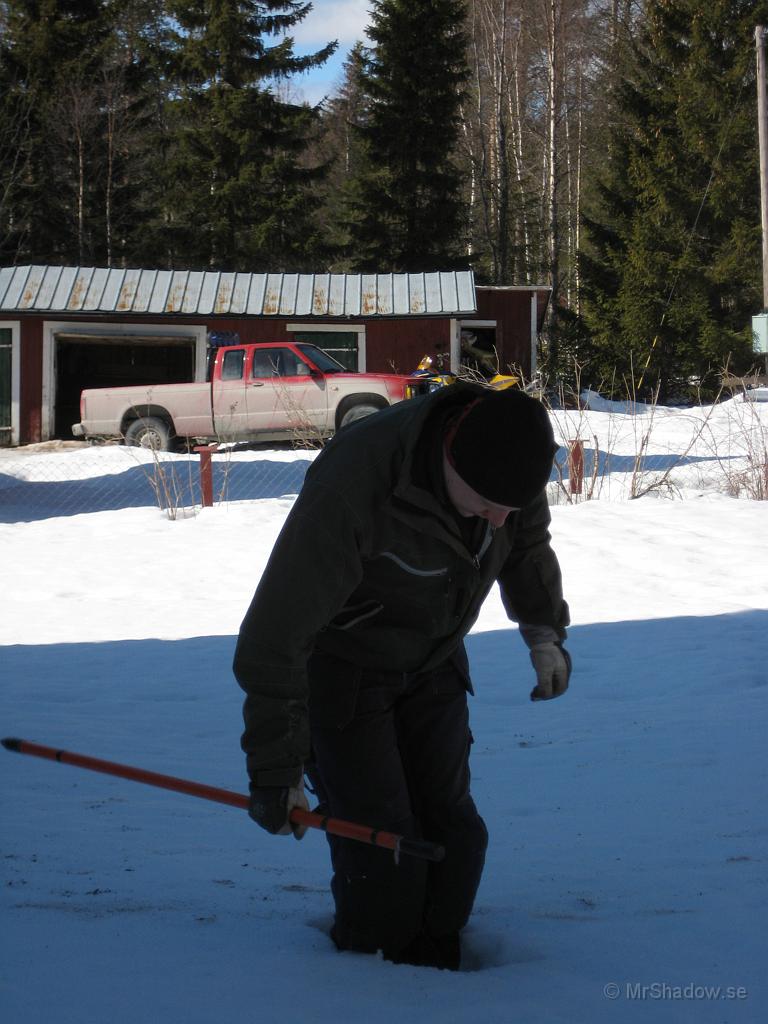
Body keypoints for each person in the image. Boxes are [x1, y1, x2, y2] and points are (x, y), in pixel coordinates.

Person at [233, 381, 571, 971]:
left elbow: (525, 544)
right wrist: (275, 769)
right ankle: (372, 976)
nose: (498, 518)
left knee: (454, 838)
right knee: (381, 844)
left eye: (509, 508)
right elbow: (274, 637)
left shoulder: (512, 460)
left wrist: (544, 632)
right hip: (345, 670)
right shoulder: (357, 484)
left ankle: (437, 960)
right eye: (486, 503)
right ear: (448, 458)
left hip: (435, 656)